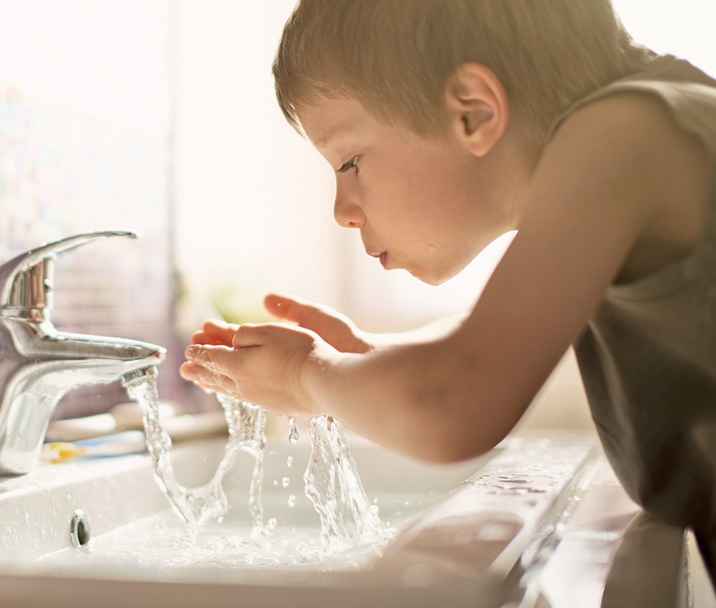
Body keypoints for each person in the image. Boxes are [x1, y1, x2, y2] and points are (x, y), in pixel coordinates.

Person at [179, 0, 716, 582]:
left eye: (351, 161)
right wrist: (365, 358)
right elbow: (489, 342)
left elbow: (456, 402)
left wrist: (304, 376)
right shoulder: (652, 117)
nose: (342, 212)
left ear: (474, 110)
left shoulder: (622, 137)